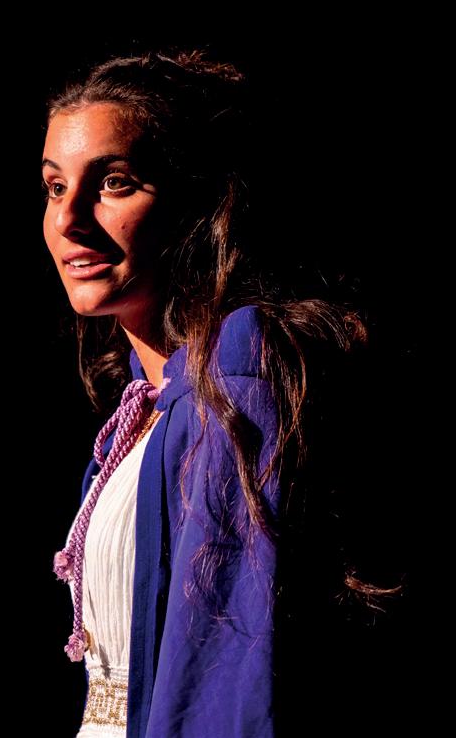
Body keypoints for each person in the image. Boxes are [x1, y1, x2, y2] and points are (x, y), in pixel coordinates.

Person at [41, 49, 398, 737]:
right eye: (55, 187)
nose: (69, 219)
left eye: (114, 182)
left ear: (198, 204)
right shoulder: (139, 412)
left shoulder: (238, 368)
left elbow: (227, 678)